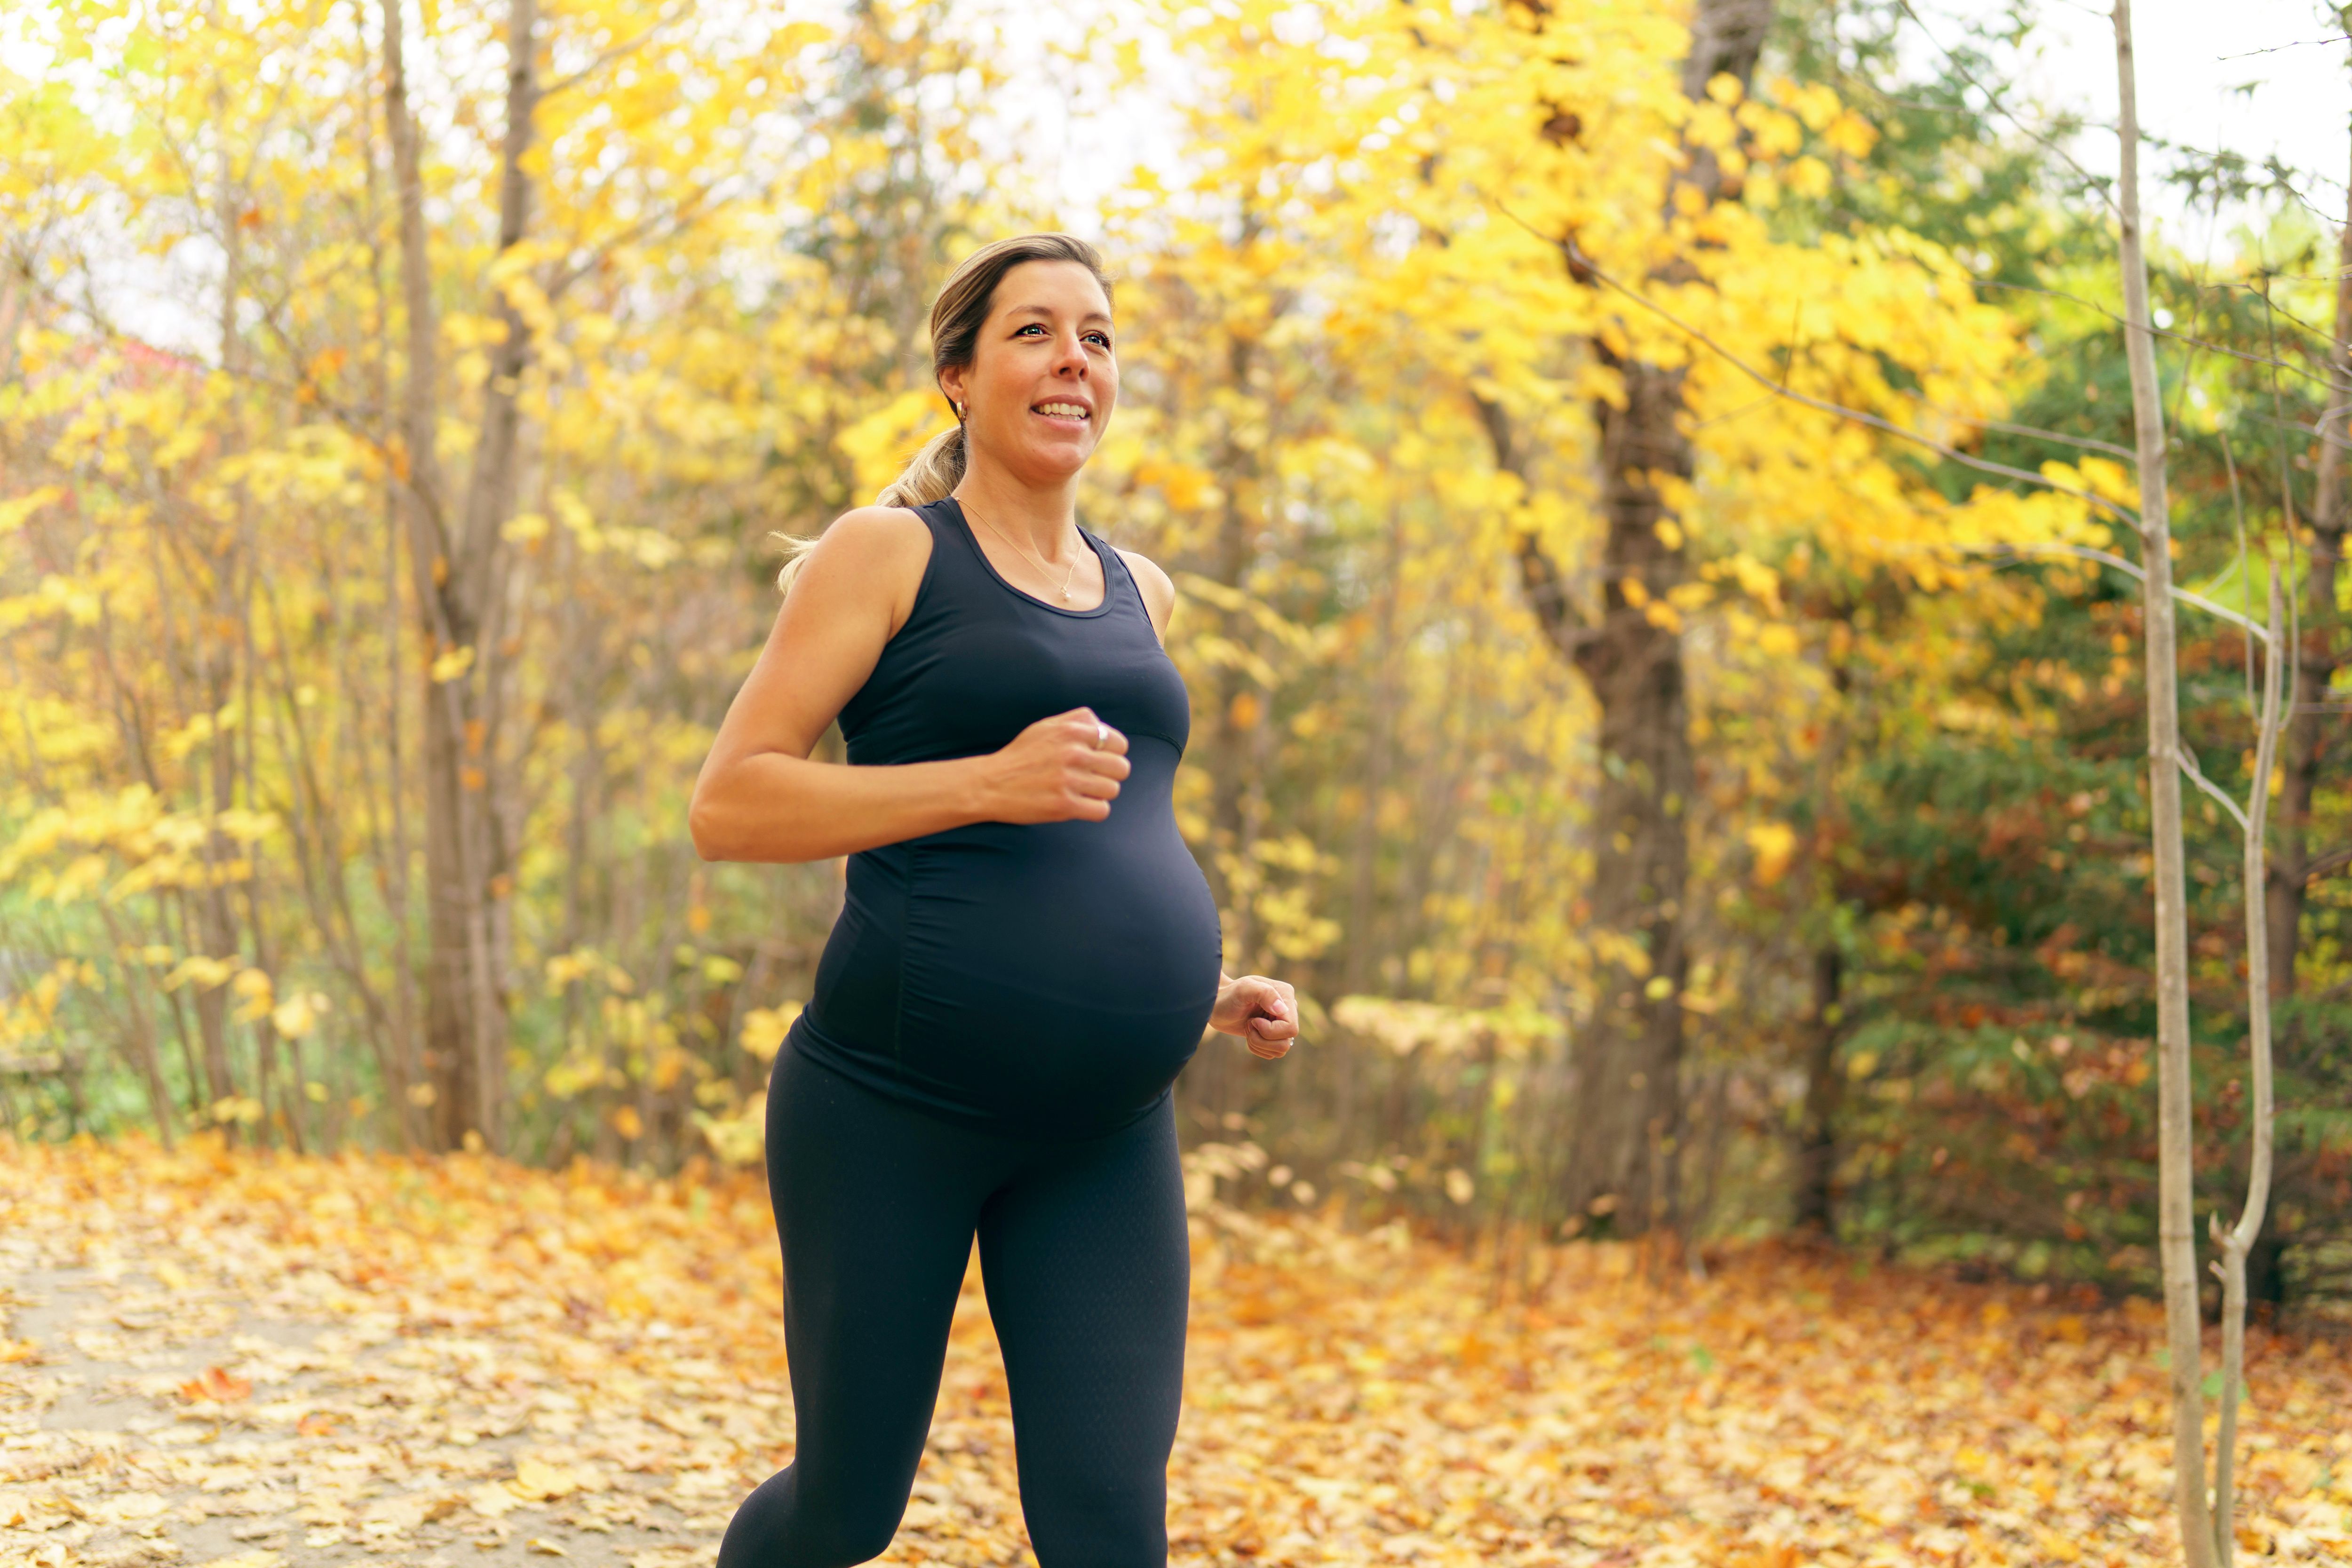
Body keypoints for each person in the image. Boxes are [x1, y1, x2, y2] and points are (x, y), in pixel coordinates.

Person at [688, 232, 1302, 1568]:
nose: (1074, 358)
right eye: (1034, 331)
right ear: (959, 377)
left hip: (1104, 1130)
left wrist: (1193, 995)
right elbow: (730, 806)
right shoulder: (889, 554)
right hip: (891, 1113)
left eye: (1097, 333)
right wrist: (984, 780)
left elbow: (1101, 841)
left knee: (1108, 1530)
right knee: (846, 1511)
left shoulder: (1145, 591)